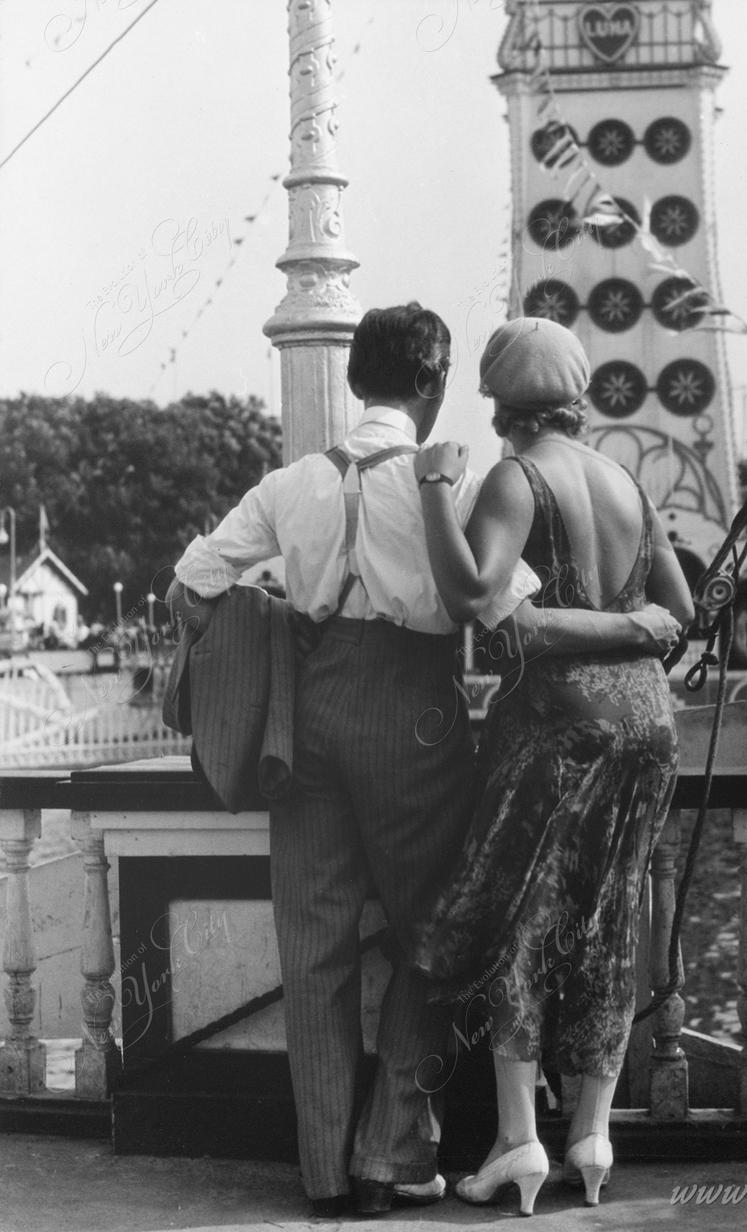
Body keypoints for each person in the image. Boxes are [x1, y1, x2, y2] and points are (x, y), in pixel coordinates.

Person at [165, 303, 681, 1219]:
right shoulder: (450, 482)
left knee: (314, 948)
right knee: (436, 937)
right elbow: (506, 614)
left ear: (357, 379)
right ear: (435, 386)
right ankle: (392, 1152)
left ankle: (324, 1173)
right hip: (419, 721)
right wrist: (640, 628)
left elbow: (193, 586)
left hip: (310, 721)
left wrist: (254, 662)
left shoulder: (289, 485)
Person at [411, 316, 695, 1214]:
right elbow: (676, 614)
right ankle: (593, 1136)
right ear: (577, 396)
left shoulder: (515, 476)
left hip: (556, 727)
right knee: (610, 916)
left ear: (501, 404)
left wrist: (432, 491)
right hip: (649, 727)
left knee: (522, 920)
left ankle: (518, 1140)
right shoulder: (622, 478)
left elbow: (474, 597)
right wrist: (631, 628)